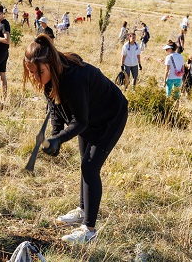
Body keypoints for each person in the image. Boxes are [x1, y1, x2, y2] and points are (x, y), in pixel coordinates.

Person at [23, 34, 127, 243]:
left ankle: (89, 230)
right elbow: (55, 107)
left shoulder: (74, 78)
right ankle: (82, 209)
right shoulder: (48, 77)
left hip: (110, 116)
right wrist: (55, 136)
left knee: (90, 167)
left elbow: (80, 122)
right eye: (31, 73)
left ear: (50, 64)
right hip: (90, 116)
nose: (35, 77)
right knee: (84, 164)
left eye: (38, 72)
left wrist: (59, 139)